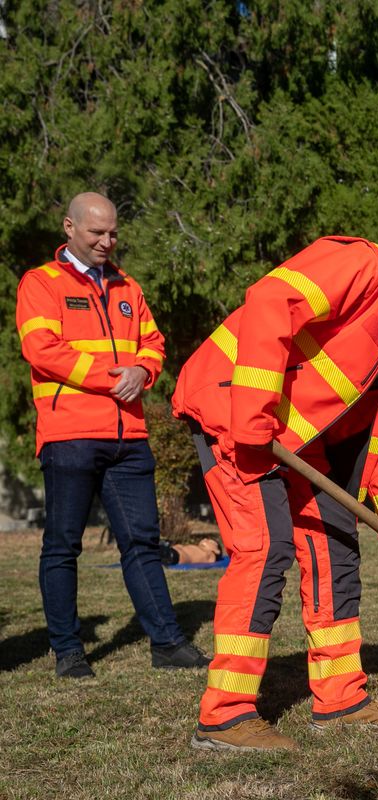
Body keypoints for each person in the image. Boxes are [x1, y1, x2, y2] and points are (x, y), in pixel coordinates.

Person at [173, 231, 378, 750]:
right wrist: (255, 412)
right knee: (264, 548)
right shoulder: (364, 266)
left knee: (337, 548)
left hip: (297, 441)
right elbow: (269, 300)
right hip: (232, 411)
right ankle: (225, 715)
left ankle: (341, 698)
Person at [15, 192, 210, 680]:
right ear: (69, 227)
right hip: (70, 434)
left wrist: (144, 372)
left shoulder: (129, 288)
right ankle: (69, 652)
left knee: (143, 542)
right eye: (96, 232)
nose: (107, 241)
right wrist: (112, 377)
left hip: (129, 437)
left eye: (113, 232)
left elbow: (153, 343)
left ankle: (166, 642)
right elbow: (42, 350)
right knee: (63, 545)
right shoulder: (41, 283)